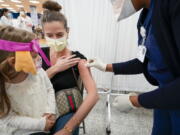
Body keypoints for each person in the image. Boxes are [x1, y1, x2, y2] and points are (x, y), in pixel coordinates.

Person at [87, 0, 180, 134]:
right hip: (164, 97)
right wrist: (105, 66)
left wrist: (136, 101)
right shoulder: (146, 16)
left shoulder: (173, 6)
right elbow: (143, 62)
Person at [41, 1, 99, 135]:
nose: (55, 39)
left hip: (65, 111)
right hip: (39, 108)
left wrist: (68, 129)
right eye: (49, 35)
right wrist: (54, 69)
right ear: (43, 34)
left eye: (59, 35)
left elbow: (93, 95)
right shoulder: (39, 55)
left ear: (68, 31)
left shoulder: (77, 59)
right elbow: (29, 86)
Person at [0, 25, 62, 135]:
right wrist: (40, 124)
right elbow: (8, 118)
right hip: (23, 131)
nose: (39, 58)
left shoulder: (39, 72)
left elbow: (49, 89)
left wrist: (50, 110)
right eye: (33, 56)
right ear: (14, 62)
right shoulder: (3, 87)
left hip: (47, 120)